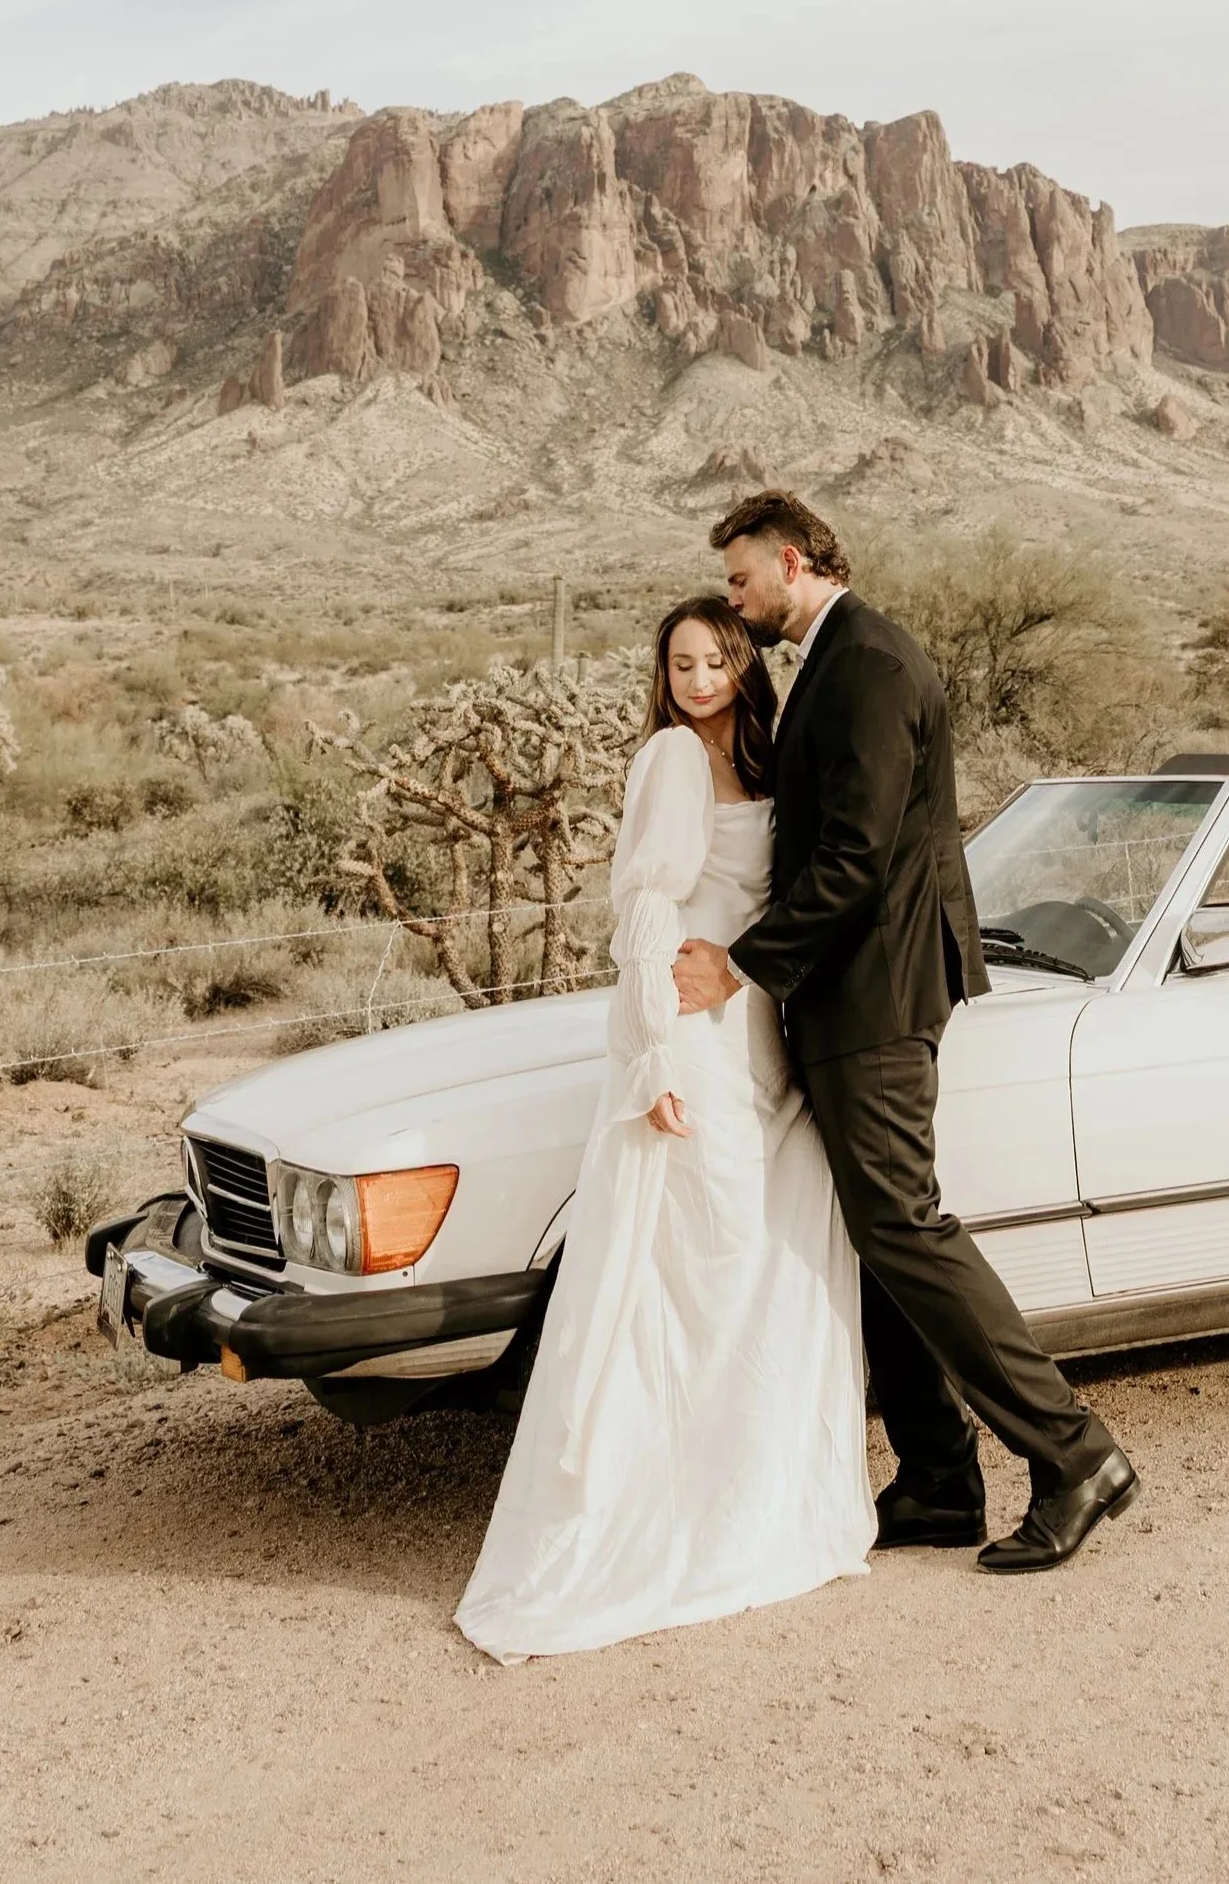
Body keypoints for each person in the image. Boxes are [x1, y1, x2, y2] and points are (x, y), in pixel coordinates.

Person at [674, 490, 1137, 1573]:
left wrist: (742, 965)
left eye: (740, 581)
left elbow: (857, 856)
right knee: (876, 1232)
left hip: (876, 992)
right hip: (844, 991)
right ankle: (936, 1475)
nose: (733, 604)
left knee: (905, 1226)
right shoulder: (832, 660)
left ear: (790, 562)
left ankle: (1075, 1455)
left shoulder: (870, 664)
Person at [455, 595, 872, 1660]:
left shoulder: (766, 760)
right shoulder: (672, 762)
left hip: (756, 1028)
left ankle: (751, 1489)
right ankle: (672, 1506)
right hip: (689, 1035)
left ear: (741, 663)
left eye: (712, 658)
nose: (694, 678)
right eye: (678, 662)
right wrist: (646, 1055)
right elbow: (643, 911)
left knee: (761, 1260)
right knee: (695, 1266)